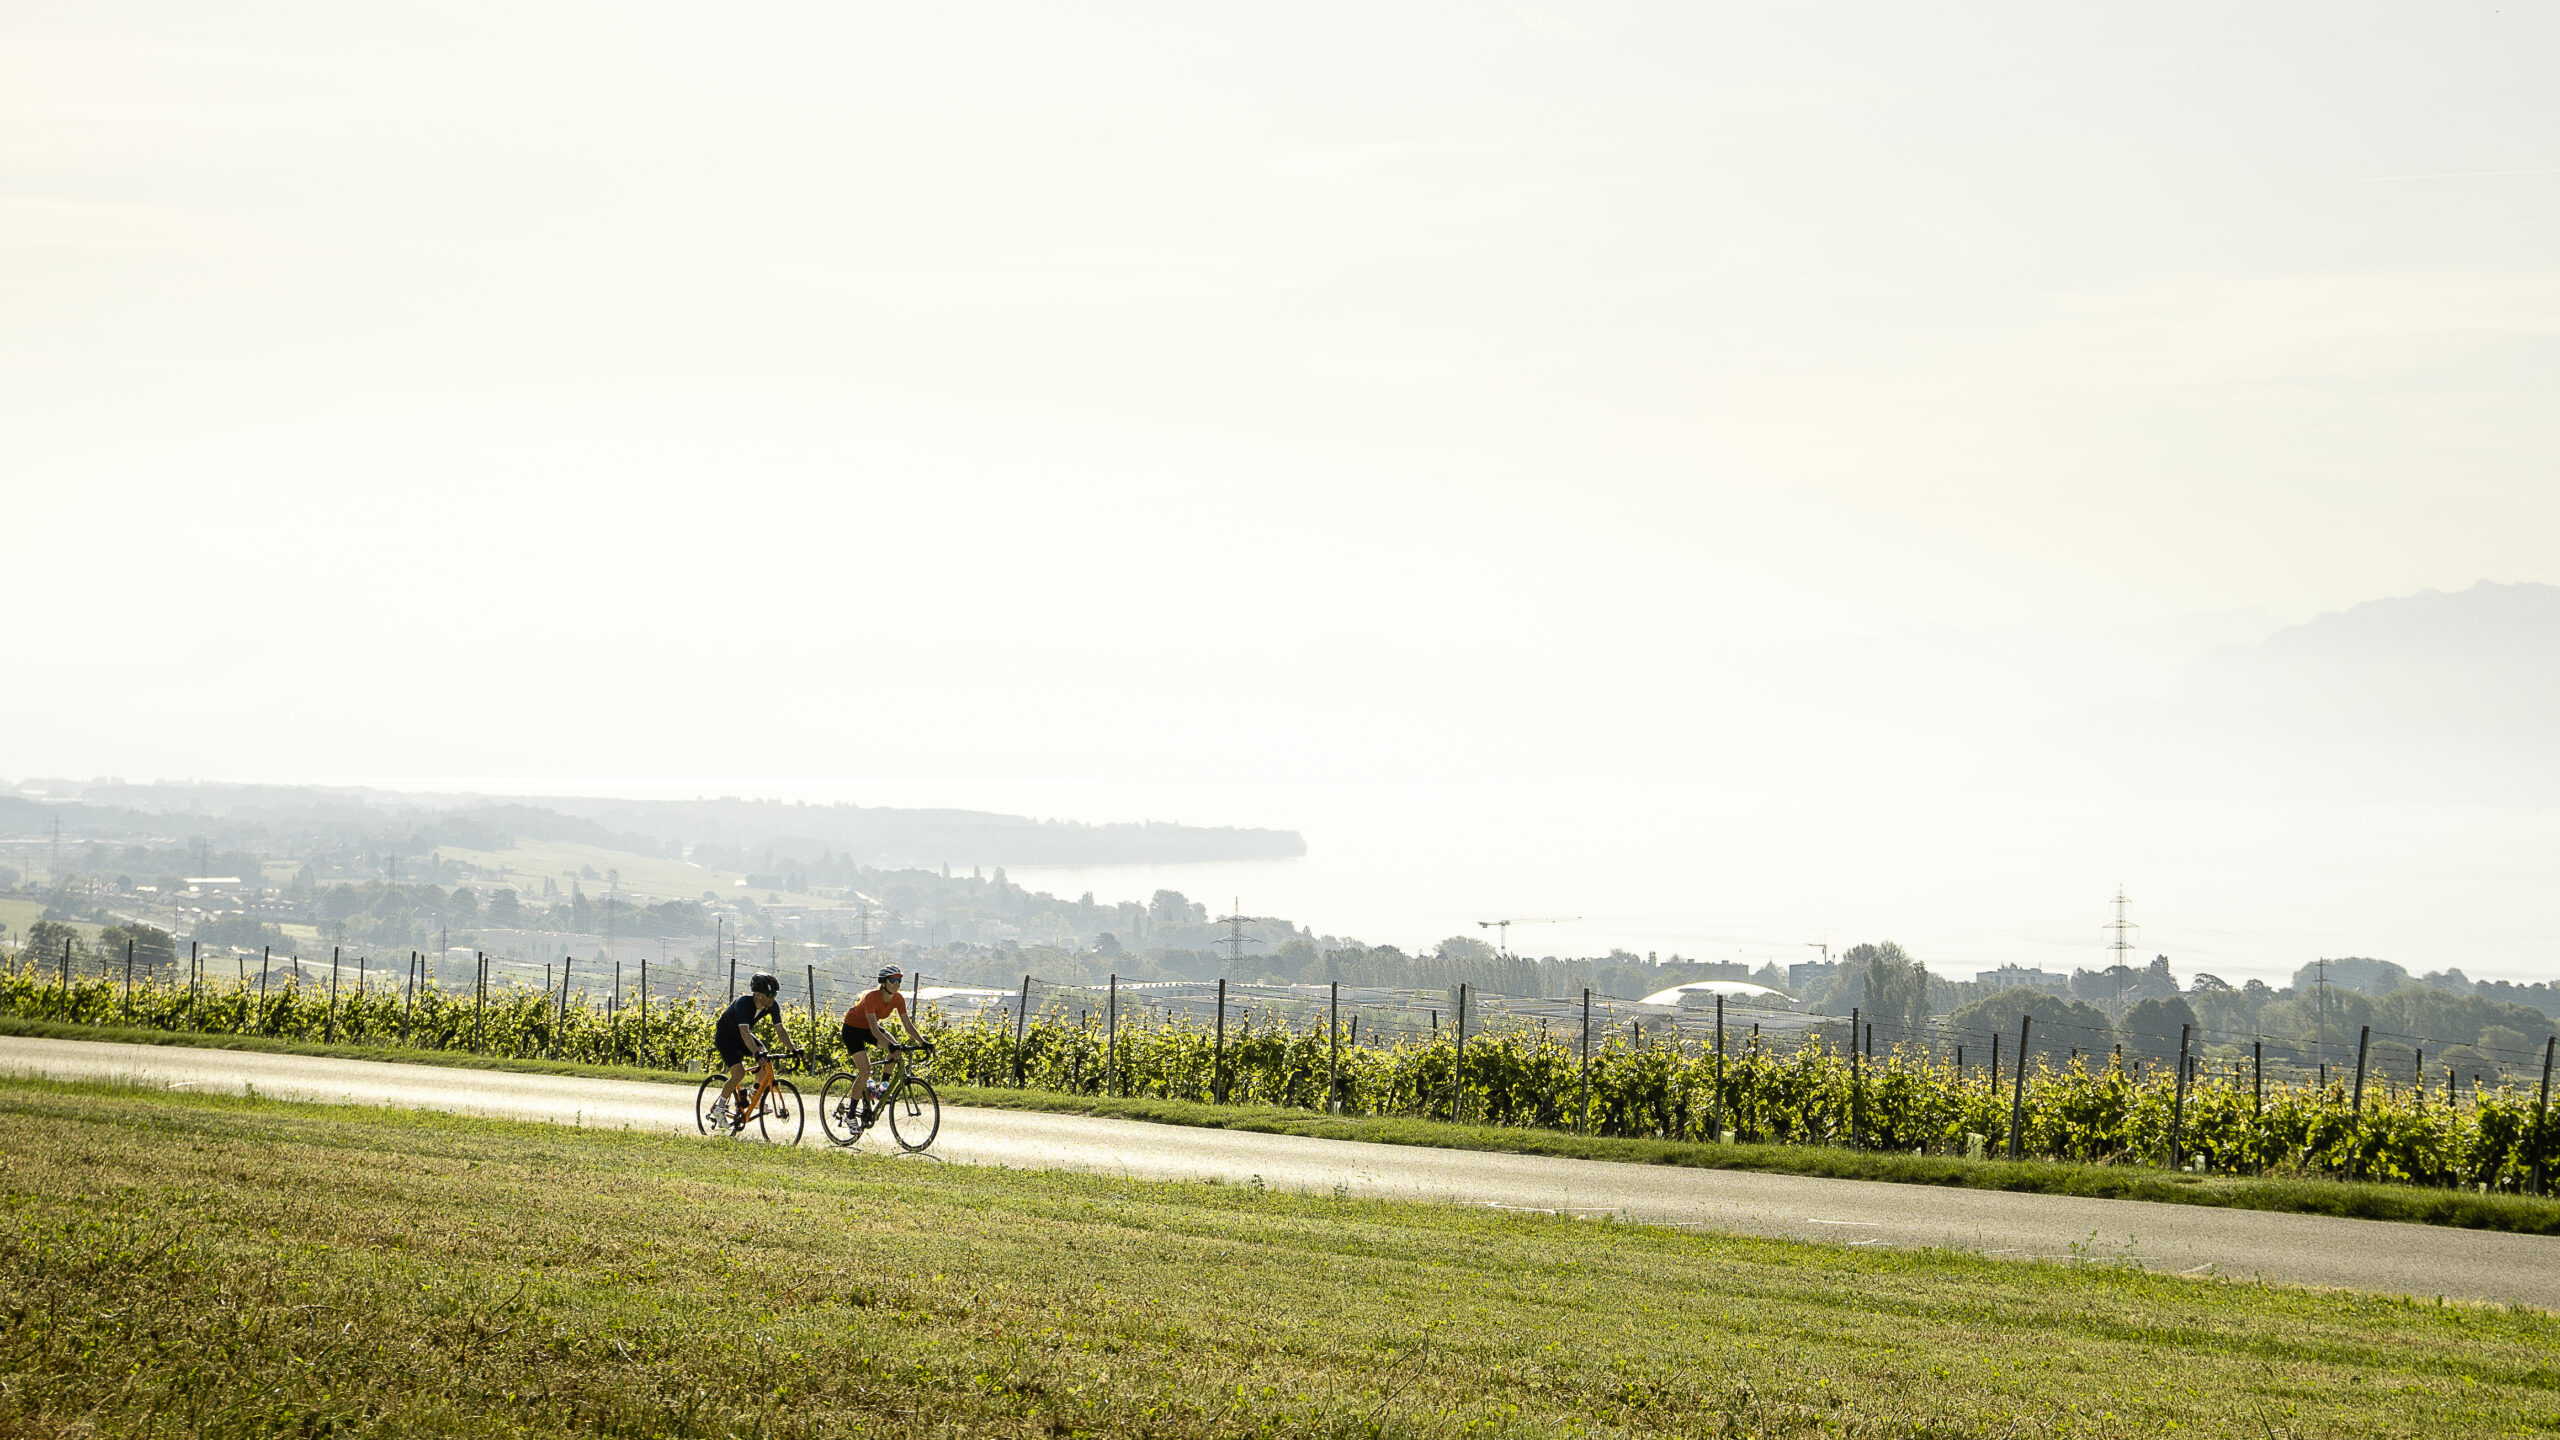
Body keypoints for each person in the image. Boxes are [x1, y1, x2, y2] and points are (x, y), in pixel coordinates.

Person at [708, 971, 800, 1128]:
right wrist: (755, 1053)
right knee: (739, 1073)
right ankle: (719, 1108)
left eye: (775, 994)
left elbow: (780, 1030)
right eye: (770, 994)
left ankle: (754, 1094)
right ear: (758, 994)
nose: (773, 998)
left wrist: (793, 1050)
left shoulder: (771, 1006)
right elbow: (744, 1032)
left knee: (765, 1058)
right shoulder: (744, 1004)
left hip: (743, 1036)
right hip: (726, 1037)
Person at [842, 965, 927, 1119]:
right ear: (883, 982)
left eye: (899, 980)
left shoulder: (898, 998)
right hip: (852, 1029)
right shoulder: (871, 997)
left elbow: (908, 1025)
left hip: (868, 1028)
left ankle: (882, 1088)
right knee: (865, 1071)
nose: (897, 983)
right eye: (893, 980)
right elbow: (875, 1029)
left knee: (896, 1051)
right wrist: (889, 1045)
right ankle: (851, 1115)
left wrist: (923, 1042)